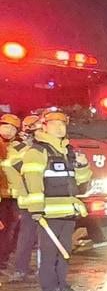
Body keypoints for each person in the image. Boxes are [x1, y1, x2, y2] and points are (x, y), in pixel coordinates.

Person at [18, 111, 92, 291]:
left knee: (64, 252)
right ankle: (49, 290)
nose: (59, 127)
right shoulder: (37, 151)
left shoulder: (67, 151)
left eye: (63, 124)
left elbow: (80, 184)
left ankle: (62, 285)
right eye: (54, 124)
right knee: (49, 253)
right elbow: (32, 181)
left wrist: (84, 166)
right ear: (44, 126)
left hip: (68, 212)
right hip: (48, 214)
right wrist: (36, 209)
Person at [7, 115, 42, 279]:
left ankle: (23, 268)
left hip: (33, 195)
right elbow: (22, 168)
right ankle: (21, 268)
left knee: (31, 235)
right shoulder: (18, 147)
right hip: (27, 196)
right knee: (27, 234)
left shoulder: (33, 148)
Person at [0, 114, 22, 273]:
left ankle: (4, 260)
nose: (8, 130)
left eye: (12, 127)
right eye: (5, 126)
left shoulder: (20, 148)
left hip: (14, 197)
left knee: (11, 230)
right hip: (2, 197)